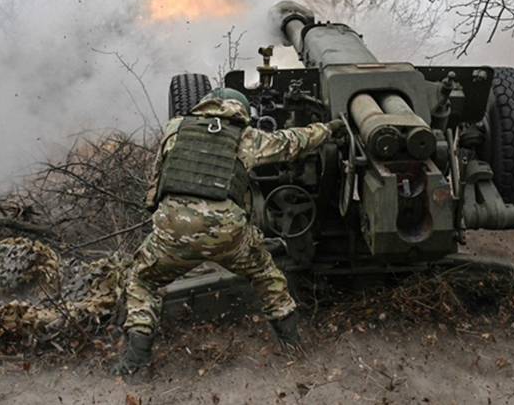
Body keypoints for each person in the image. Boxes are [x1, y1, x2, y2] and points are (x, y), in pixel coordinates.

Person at [111, 88, 344, 381]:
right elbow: (292, 143)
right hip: (227, 235)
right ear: (241, 110)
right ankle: (295, 352)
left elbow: (155, 186)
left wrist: (169, 226)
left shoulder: (174, 129)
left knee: (143, 280)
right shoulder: (246, 138)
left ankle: (135, 367)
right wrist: (329, 128)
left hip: (172, 231)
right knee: (266, 275)